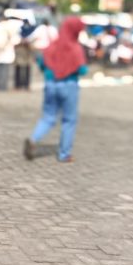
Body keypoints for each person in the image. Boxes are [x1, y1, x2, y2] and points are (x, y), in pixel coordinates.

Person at [24, 17, 87, 163]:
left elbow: (42, 63)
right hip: (69, 86)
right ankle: (64, 154)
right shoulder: (75, 48)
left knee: (48, 117)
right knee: (69, 120)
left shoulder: (51, 46)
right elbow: (82, 70)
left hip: (50, 85)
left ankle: (34, 139)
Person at [0, 16, 22, 91]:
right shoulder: (11, 28)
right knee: (5, 71)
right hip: (7, 51)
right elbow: (16, 40)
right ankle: (3, 87)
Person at [14, 20, 35, 90]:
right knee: (19, 68)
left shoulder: (31, 30)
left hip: (27, 50)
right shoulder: (20, 30)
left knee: (26, 68)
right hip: (20, 50)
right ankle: (18, 85)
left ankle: (25, 85)